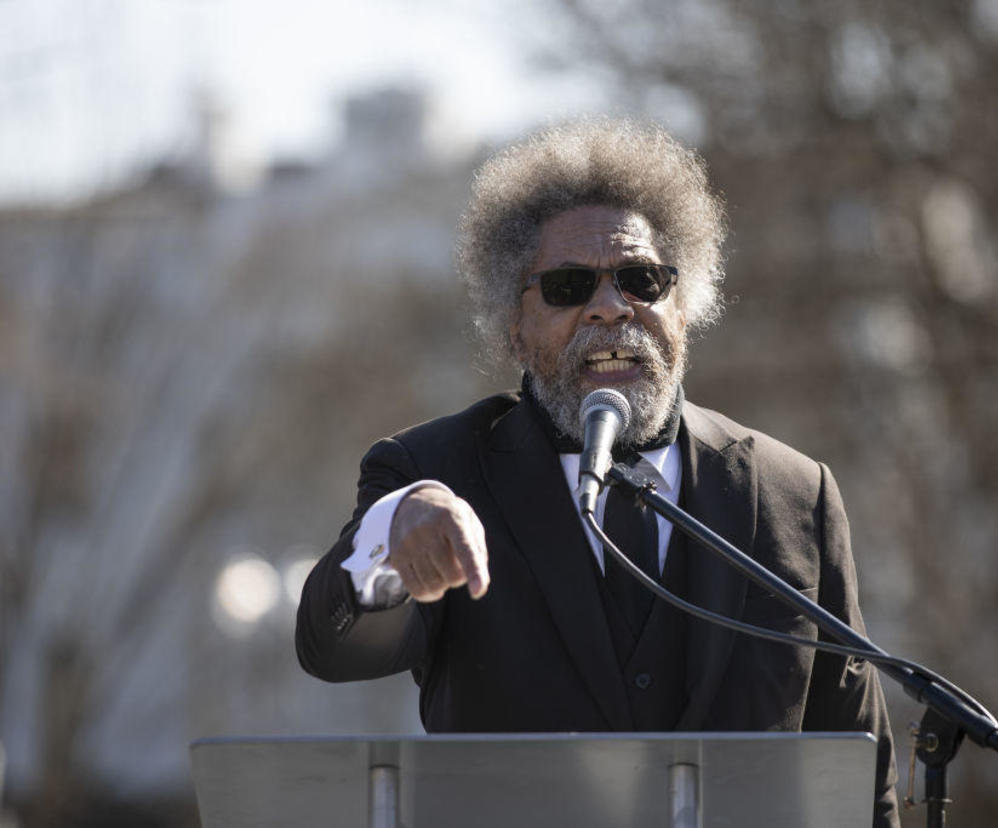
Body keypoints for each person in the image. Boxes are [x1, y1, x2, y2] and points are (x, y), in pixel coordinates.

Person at [296, 118, 900, 826]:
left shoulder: (797, 493)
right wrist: (391, 541)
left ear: (684, 305)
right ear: (513, 327)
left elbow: (861, 780)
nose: (611, 306)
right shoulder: (436, 471)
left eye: (642, 279)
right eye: (568, 285)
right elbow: (330, 646)